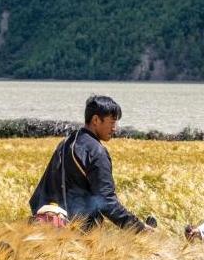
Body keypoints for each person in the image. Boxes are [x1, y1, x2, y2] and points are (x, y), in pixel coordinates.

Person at [28, 95, 151, 232]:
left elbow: (41, 193)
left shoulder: (67, 142)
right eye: (112, 122)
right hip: (80, 234)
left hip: (50, 226)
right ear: (96, 120)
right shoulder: (96, 152)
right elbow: (106, 202)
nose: (115, 128)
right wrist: (139, 228)